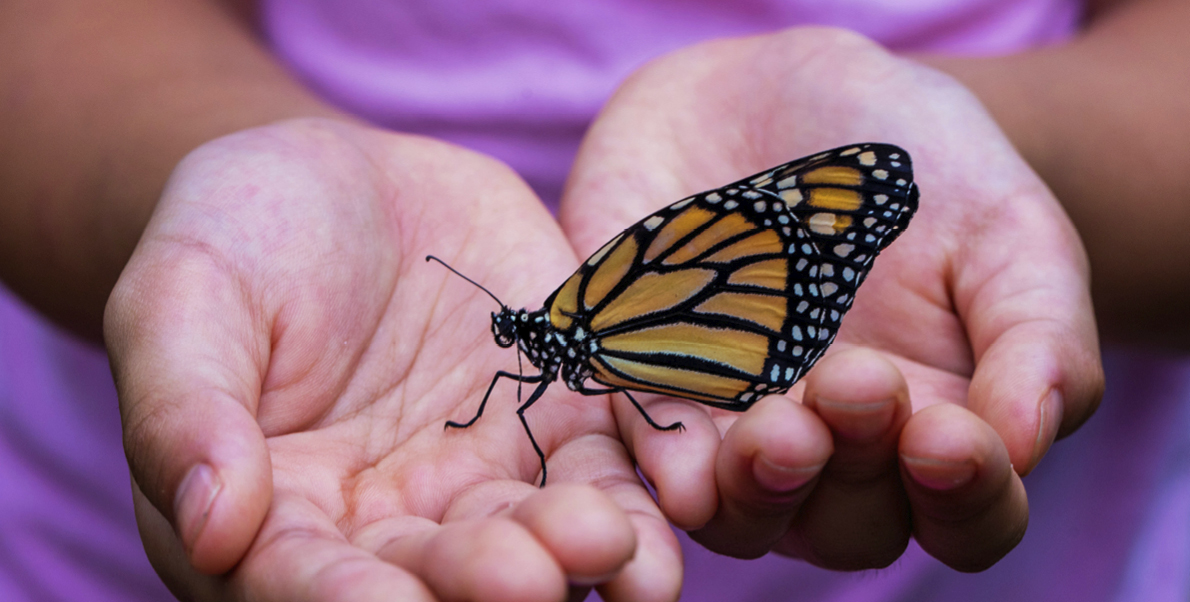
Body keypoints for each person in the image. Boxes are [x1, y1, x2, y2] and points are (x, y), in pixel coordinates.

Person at [1, 0, 1186, 600]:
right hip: (109, 536)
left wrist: (1017, 159)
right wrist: (229, 172)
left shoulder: (588, 313)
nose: (518, 340)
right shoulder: (572, 328)